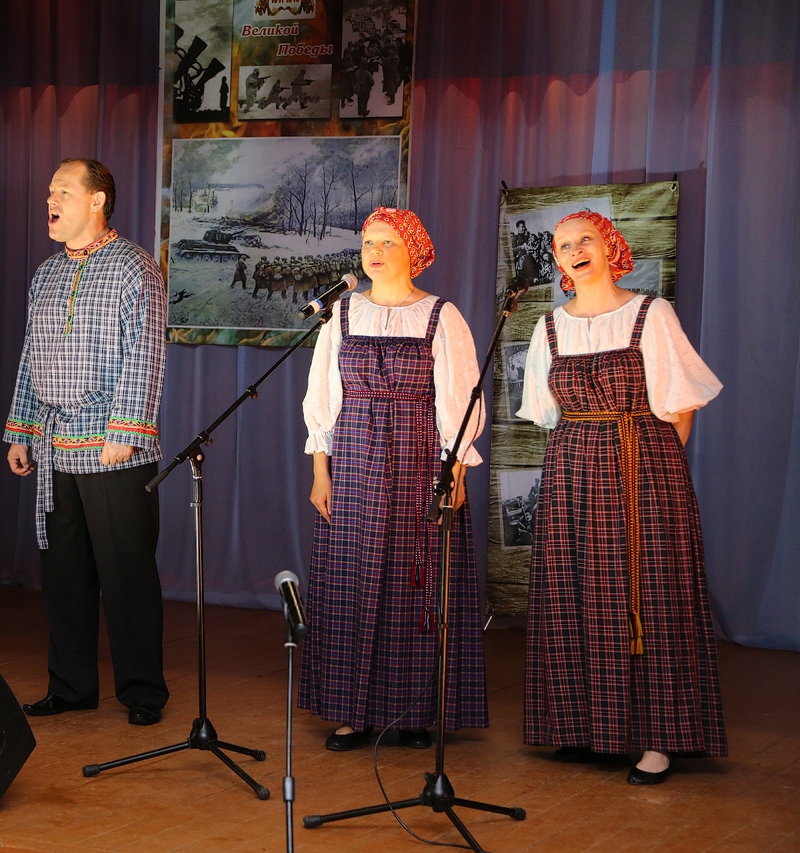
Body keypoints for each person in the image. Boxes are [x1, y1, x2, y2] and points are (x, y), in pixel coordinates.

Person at [518, 210, 726, 785]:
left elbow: (680, 409)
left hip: (643, 465)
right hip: (572, 469)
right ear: (557, 261)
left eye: (585, 239)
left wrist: (654, 475)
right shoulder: (549, 327)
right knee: (573, 591)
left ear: (610, 248)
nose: (575, 250)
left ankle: (659, 739)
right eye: (563, 245)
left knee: (650, 595)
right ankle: (586, 726)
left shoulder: (650, 314)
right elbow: (547, 413)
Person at [300, 207, 488, 751]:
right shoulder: (341, 313)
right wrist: (320, 471)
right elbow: (321, 396)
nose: (374, 252)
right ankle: (350, 711)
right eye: (368, 243)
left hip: (418, 459)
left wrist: (455, 469)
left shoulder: (440, 316)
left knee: (414, 581)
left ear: (414, 252)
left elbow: (460, 402)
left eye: (387, 242)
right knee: (351, 581)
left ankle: (412, 713)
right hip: (353, 459)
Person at [4, 158, 168, 726]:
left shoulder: (135, 267)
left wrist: (126, 431)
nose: (50, 200)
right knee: (64, 575)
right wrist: (21, 430)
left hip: (112, 447)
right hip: (54, 445)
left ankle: (142, 691)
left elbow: (146, 353)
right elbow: (30, 357)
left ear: (97, 200)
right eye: (50, 191)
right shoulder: (46, 274)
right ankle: (71, 686)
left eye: (63, 191)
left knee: (126, 575)